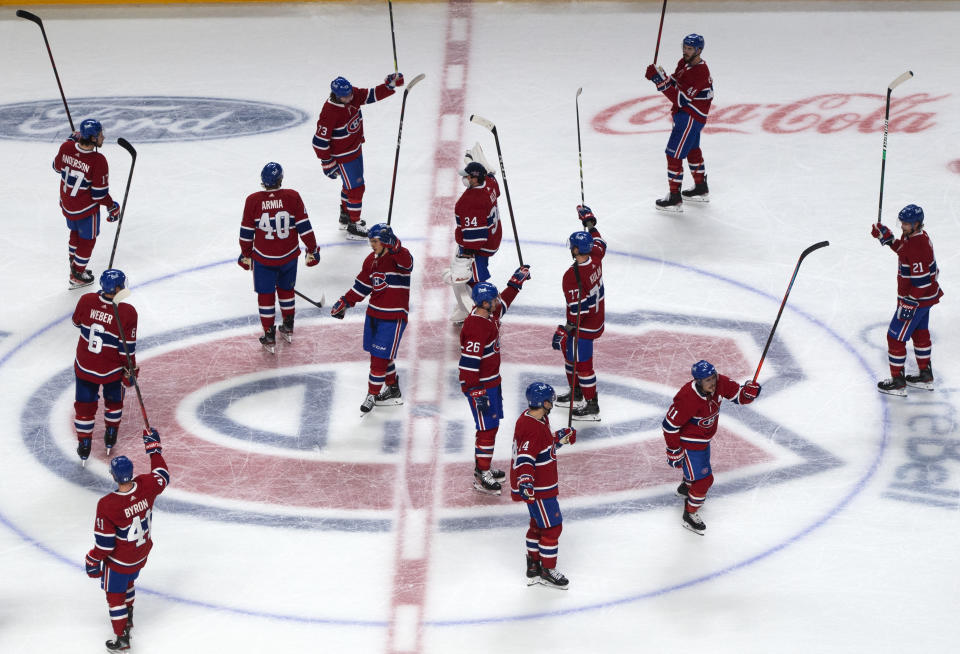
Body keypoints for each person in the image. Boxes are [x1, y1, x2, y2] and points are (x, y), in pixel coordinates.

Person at [85, 427, 169, 651]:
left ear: (113, 475)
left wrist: (92, 560)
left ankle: (121, 638)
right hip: (141, 554)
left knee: (114, 597)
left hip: (121, 560)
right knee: (128, 582)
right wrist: (154, 450)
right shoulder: (146, 485)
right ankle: (129, 615)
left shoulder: (108, 504)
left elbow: (105, 545)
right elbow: (162, 475)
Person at [661, 360, 761, 535]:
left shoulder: (720, 383)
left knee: (698, 472)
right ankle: (689, 515)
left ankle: (686, 487)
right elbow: (669, 425)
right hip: (689, 442)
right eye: (707, 380)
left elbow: (739, 396)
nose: (712, 382)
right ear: (698, 381)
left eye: (713, 377)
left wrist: (749, 392)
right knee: (705, 480)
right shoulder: (687, 397)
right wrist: (674, 450)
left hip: (703, 440)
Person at [458, 265, 531, 494]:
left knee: (491, 426)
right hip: (480, 386)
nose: (497, 302)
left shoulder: (488, 314)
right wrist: (476, 391)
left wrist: (516, 283)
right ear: (485, 303)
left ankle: (483, 467)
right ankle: (481, 475)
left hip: (491, 382)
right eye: (494, 300)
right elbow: (468, 364)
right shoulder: (476, 326)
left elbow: (505, 303)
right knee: (487, 429)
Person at [238, 162, 320, 354]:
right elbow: (304, 227)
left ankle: (269, 335)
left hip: (264, 260)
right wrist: (312, 249)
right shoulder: (292, 196)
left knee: (266, 296)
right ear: (280, 179)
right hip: (289, 256)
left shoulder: (253, 201)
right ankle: (288, 326)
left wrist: (246, 254)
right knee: (286, 290)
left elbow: (246, 234)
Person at [331, 223, 413, 413]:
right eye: (371, 241)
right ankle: (393, 389)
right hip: (374, 314)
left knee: (378, 358)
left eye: (375, 241)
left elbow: (408, 263)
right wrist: (345, 302)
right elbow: (361, 286)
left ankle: (372, 394)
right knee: (382, 356)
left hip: (393, 317)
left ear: (386, 241)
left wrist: (396, 246)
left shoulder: (398, 257)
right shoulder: (371, 260)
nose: (372, 245)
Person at [312, 73, 404, 240]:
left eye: (350, 94)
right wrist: (328, 163)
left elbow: (369, 95)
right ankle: (354, 225)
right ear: (336, 96)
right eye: (346, 96)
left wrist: (389, 86)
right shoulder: (329, 112)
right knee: (356, 188)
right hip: (343, 157)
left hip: (355, 150)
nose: (350, 97)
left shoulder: (351, 95)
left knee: (349, 187)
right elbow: (319, 142)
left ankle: (345, 217)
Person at [871, 204, 943, 395]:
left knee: (894, 337)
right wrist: (887, 239)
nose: (902, 226)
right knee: (920, 333)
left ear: (916, 224)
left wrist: (909, 302)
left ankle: (898, 382)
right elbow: (904, 251)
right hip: (925, 299)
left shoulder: (918, 245)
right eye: (901, 222)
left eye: (906, 223)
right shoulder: (914, 237)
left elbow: (921, 283)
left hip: (916, 299)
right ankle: (925, 376)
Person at [510, 381, 576, 589]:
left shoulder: (533, 419)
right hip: (540, 489)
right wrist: (526, 483)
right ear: (543, 402)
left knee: (537, 525)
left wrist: (559, 438)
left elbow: (541, 447)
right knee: (552, 528)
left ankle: (533, 566)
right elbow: (526, 458)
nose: (552, 403)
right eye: (550, 400)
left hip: (537, 488)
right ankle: (547, 570)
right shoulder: (533, 428)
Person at [72, 269, 137, 462]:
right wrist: (130, 370)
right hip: (111, 371)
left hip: (85, 366)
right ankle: (111, 433)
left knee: (84, 406)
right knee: (114, 402)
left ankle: (84, 444)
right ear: (117, 288)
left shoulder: (86, 300)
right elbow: (127, 350)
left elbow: (77, 322)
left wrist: (97, 311)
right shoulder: (127, 312)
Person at [644, 34, 714, 212]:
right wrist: (660, 75)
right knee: (692, 149)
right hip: (688, 116)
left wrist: (660, 82)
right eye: (684, 47)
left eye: (689, 49)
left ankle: (674, 198)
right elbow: (675, 82)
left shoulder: (700, 71)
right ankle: (700, 188)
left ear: (699, 50)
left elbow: (681, 99)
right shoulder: (684, 63)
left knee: (673, 154)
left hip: (690, 116)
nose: (685, 51)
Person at [552, 205, 606, 421]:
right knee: (569, 354)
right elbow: (600, 241)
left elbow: (578, 309)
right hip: (597, 318)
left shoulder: (572, 276)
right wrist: (589, 223)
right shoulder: (596, 255)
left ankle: (592, 405)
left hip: (584, 325)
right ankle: (576, 391)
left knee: (583, 365)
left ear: (576, 250)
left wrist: (566, 330)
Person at [53, 119, 120, 288]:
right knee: (88, 240)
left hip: (67, 205)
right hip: (85, 209)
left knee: (74, 232)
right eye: (99, 135)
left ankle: (74, 263)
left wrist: (71, 140)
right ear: (91, 139)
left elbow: (56, 167)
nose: (103, 137)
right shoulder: (98, 160)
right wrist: (112, 206)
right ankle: (77, 274)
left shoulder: (66, 147)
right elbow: (99, 194)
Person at [447, 146, 502, 323]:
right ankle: (471, 306)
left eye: (468, 176)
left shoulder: (470, 202)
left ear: (476, 178)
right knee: (471, 274)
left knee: (473, 277)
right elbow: (492, 176)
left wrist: (466, 256)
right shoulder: (490, 182)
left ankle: (484, 308)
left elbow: (476, 239)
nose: (464, 179)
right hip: (494, 236)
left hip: (480, 246)